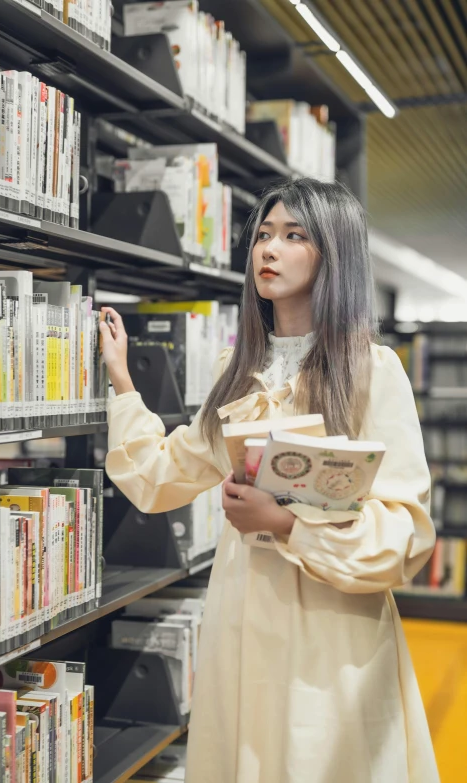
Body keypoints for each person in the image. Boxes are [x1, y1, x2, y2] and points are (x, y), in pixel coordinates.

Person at [99, 178, 439, 783]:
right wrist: (124, 384)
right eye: (262, 235)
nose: (268, 250)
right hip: (243, 618)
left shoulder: (372, 372)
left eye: (292, 235)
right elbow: (160, 476)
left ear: (332, 253)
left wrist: (286, 523)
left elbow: (405, 537)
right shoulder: (238, 373)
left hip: (333, 634)